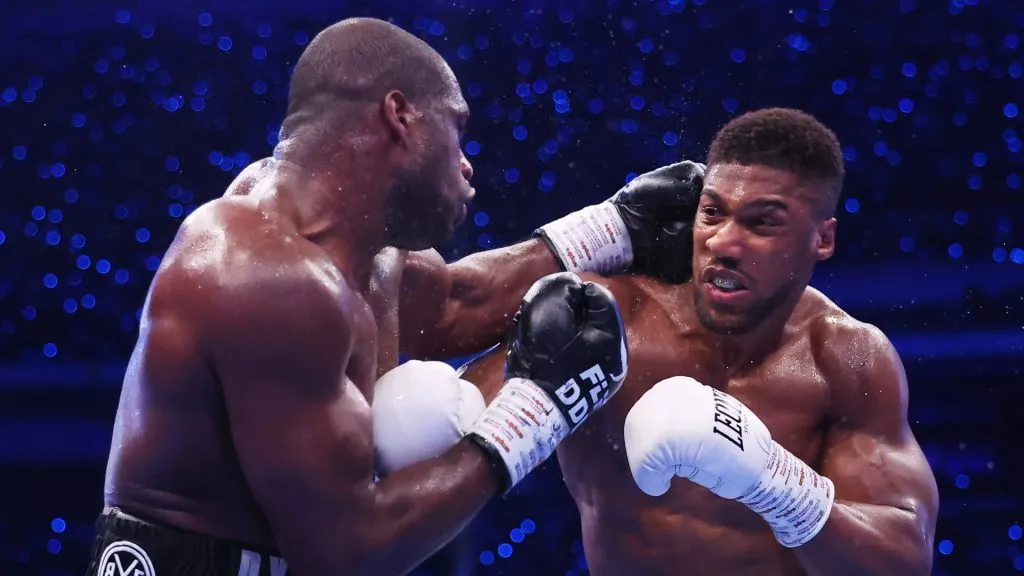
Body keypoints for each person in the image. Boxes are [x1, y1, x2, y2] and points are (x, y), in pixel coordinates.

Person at [84, 15, 710, 576]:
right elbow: (348, 552)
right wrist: (535, 412)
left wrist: (617, 228)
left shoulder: (353, 244)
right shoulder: (264, 276)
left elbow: (454, 304)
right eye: (457, 130)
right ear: (400, 116)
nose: (468, 166)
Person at [457, 108, 940, 575]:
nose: (724, 243)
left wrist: (774, 483)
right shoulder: (609, 319)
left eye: (762, 222)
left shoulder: (845, 358)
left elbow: (905, 559)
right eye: (712, 213)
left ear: (823, 239)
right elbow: (451, 421)